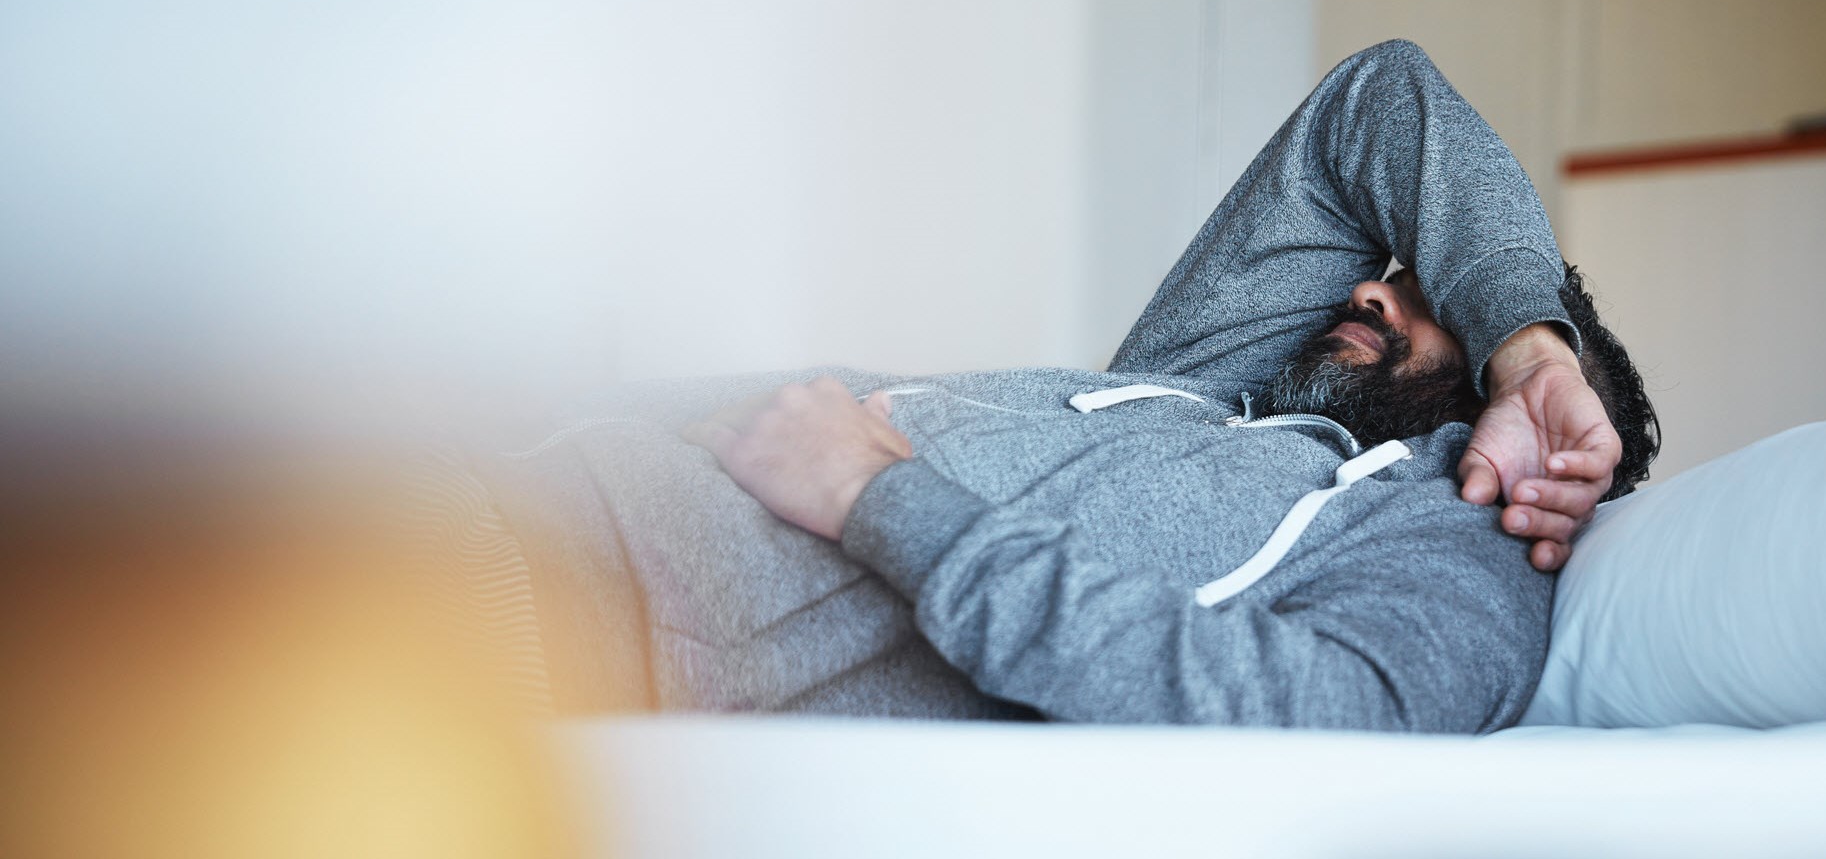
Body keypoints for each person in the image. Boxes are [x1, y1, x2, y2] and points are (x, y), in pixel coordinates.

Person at [465, 39, 1658, 732]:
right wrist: (1527, 340)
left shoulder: (1451, 559)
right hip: (518, 474)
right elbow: (1379, 98)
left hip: (570, 606)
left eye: (1426, 303)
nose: (1372, 295)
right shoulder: (1208, 395)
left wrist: (882, 494)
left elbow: (1296, 711)